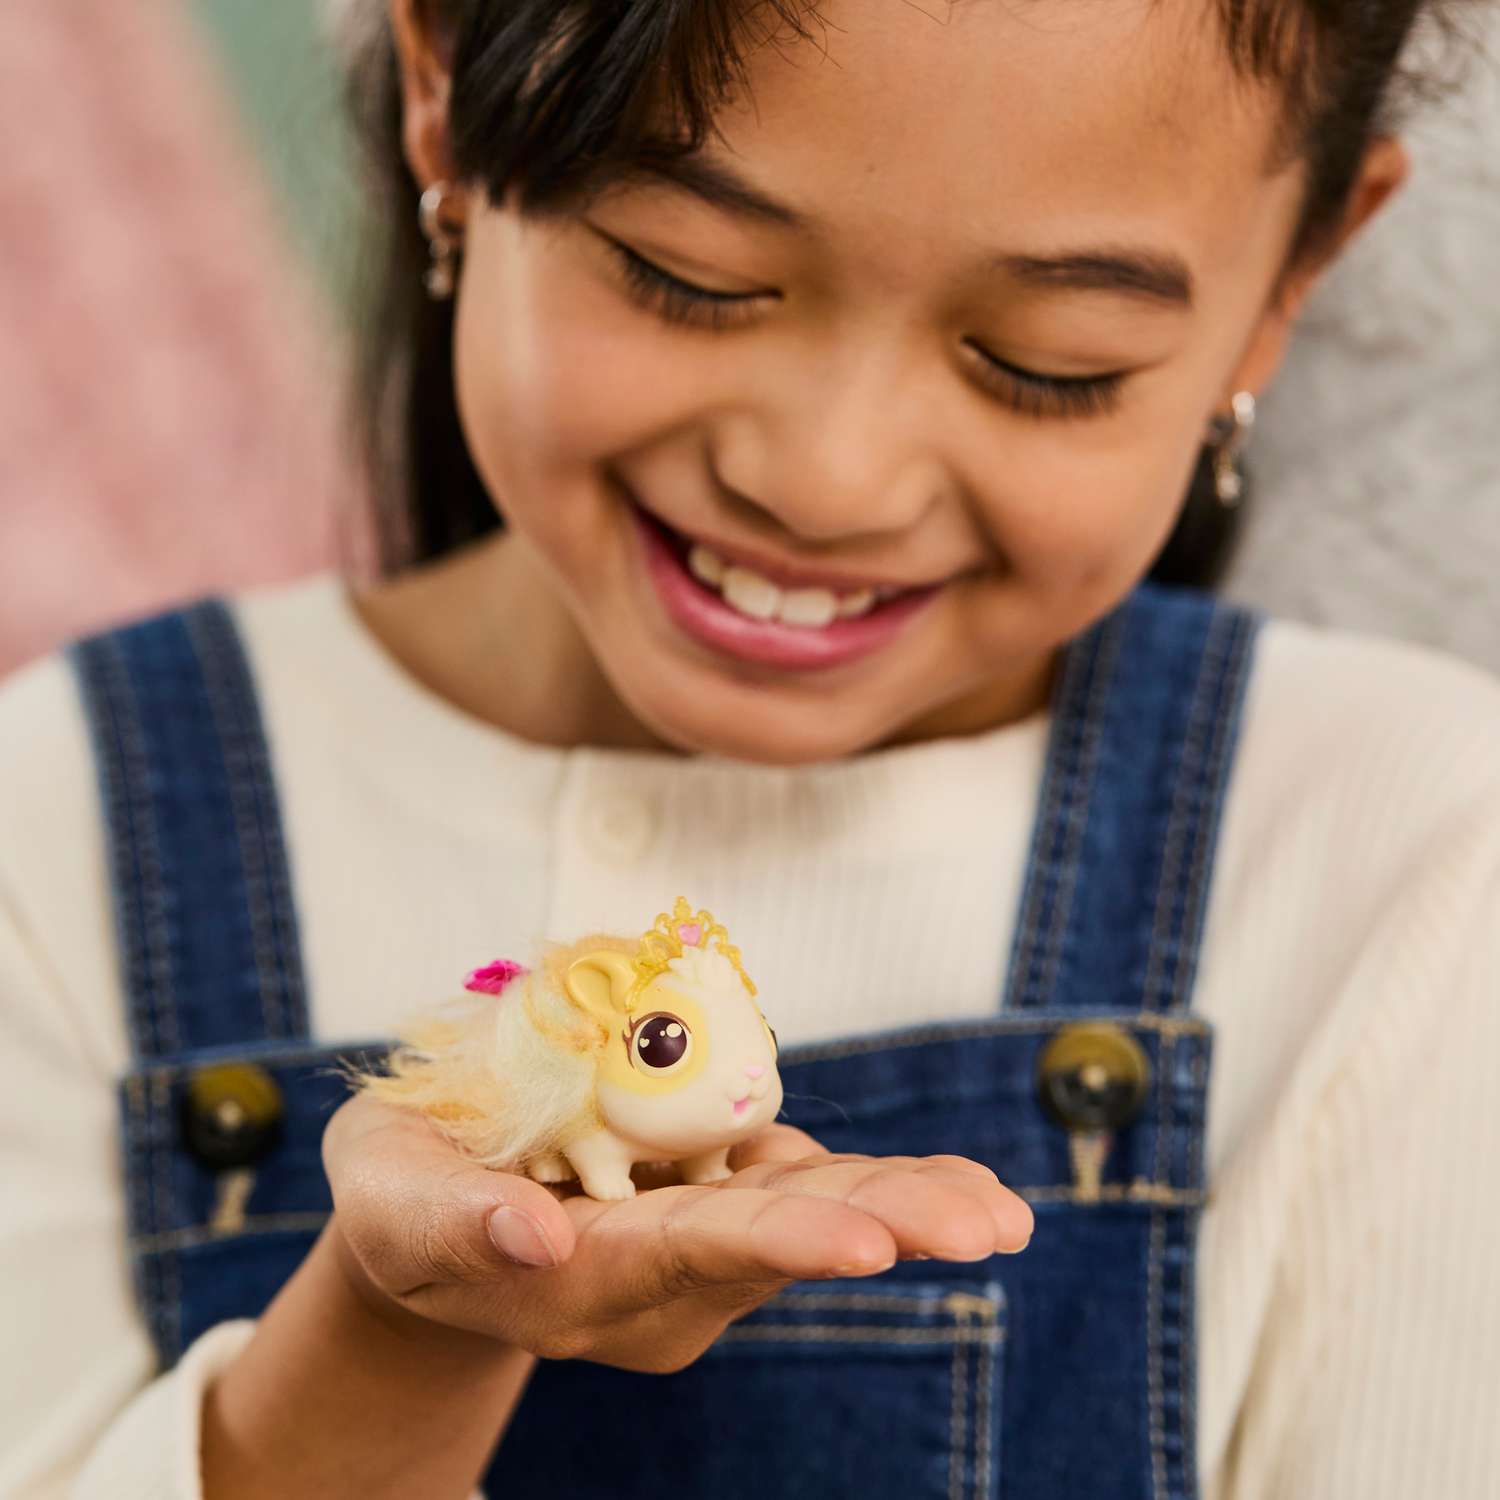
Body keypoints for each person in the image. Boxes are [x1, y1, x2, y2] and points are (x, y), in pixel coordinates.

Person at [1, 0, 1496, 1496]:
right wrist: (395, 1337)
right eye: (688, 275)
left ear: (1287, 281)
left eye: (1049, 360)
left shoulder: (1394, 849)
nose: (829, 479)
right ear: (445, 95)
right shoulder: (70, 814)